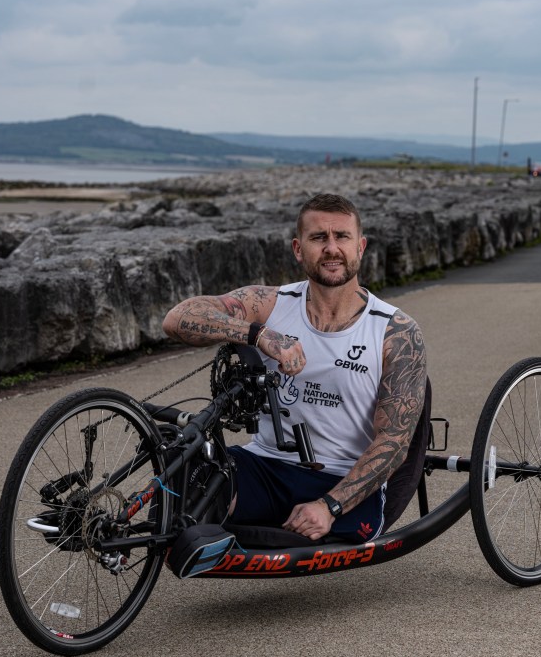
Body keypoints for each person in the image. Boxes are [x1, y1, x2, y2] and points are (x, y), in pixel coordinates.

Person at [162, 193, 427, 543]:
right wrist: (259, 334)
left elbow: (394, 441)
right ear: (298, 249)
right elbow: (178, 318)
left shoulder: (396, 331)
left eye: (342, 237)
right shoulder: (271, 304)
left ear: (360, 247)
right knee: (182, 474)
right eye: (319, 238)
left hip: (342, 478)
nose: (331, 248)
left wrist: (329, 506)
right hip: (265, 465)